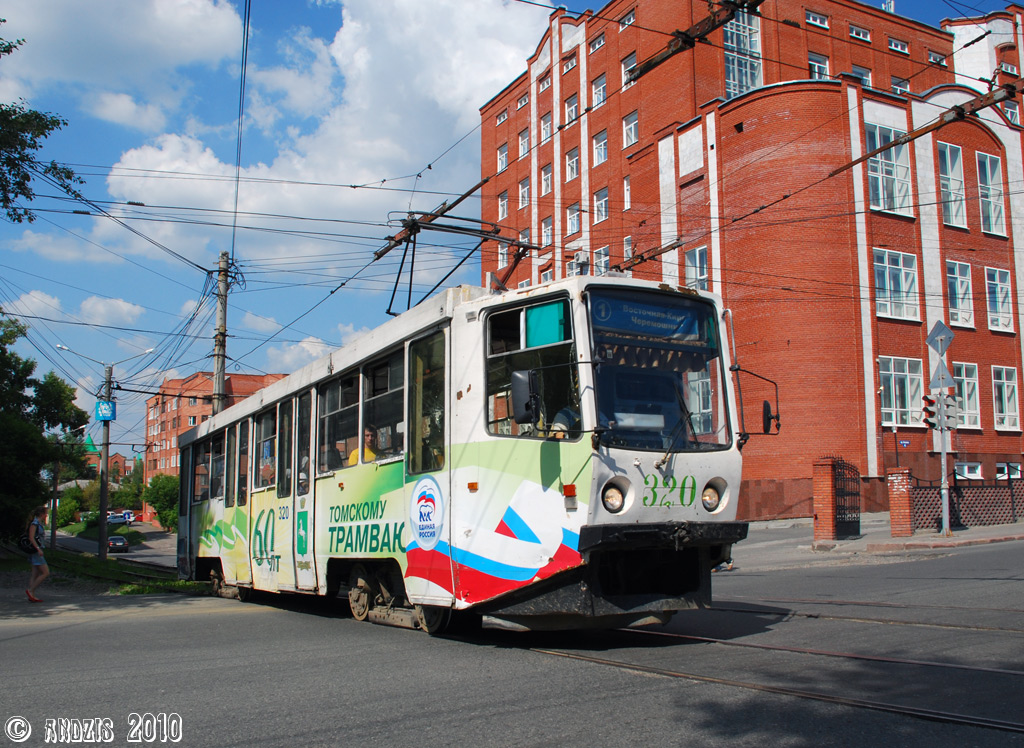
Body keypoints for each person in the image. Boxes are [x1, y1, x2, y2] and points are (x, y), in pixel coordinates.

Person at [26, 506, 49, 603]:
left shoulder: (38, 523)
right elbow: (31, 538)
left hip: (36, 550)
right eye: (46, 513)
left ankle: (32, 595)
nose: (46, 515)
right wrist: (38, 549)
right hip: (36, 551)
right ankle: (30, 591)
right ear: (42, 514)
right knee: (45, 572)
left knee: (35, 574)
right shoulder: (34, 524)